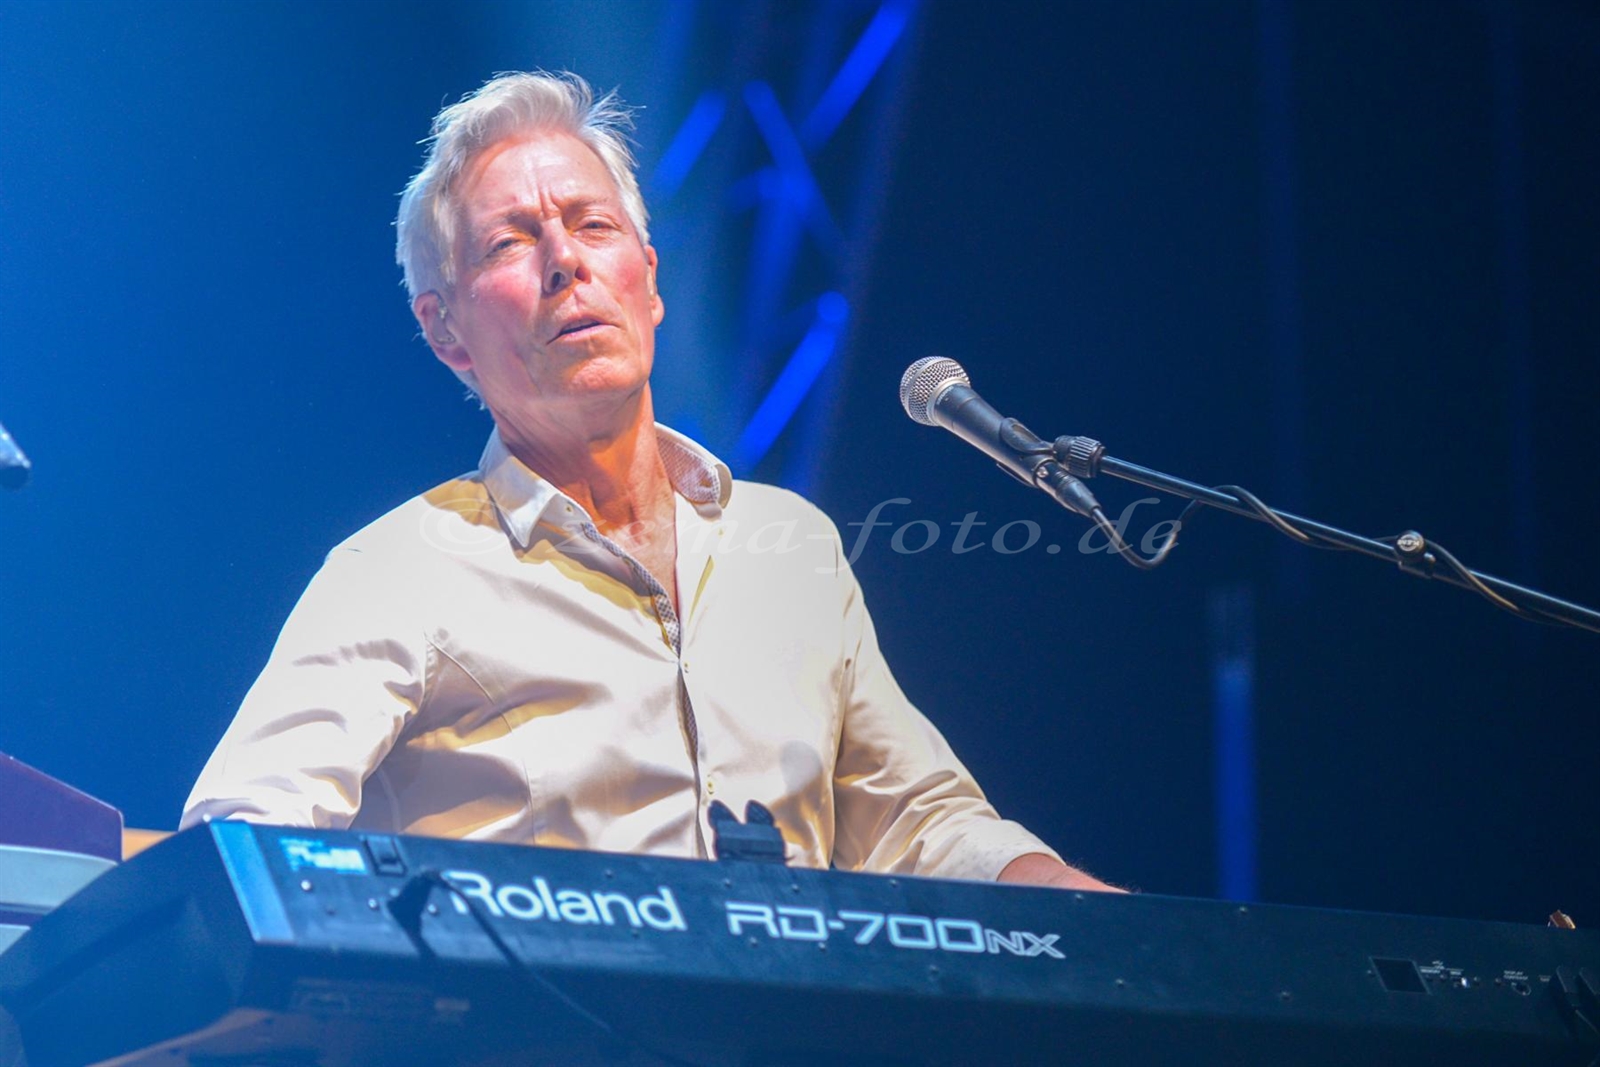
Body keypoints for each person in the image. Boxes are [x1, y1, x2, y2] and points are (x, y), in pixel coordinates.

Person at [181, 71, 1117, 892]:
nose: (566, 261)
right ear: (445, 330)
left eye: (594, 225)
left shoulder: (793, 546)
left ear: (651, 280)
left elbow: (918, 821)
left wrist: (1116, 929)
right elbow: (242, 836)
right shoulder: (401, 569)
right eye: (510, 243)